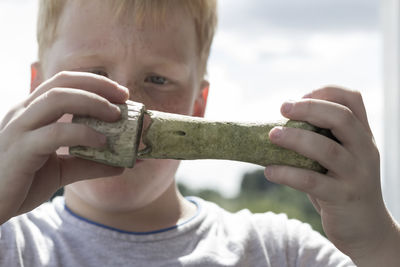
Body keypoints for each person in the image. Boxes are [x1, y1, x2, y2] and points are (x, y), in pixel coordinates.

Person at [0, 0, 398, 266]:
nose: (126, 106)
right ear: (39, 86)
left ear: (198, 104)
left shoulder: (279, 250)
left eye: (158, 78)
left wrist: (377, 241)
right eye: (93, 75)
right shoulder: (12, 244)